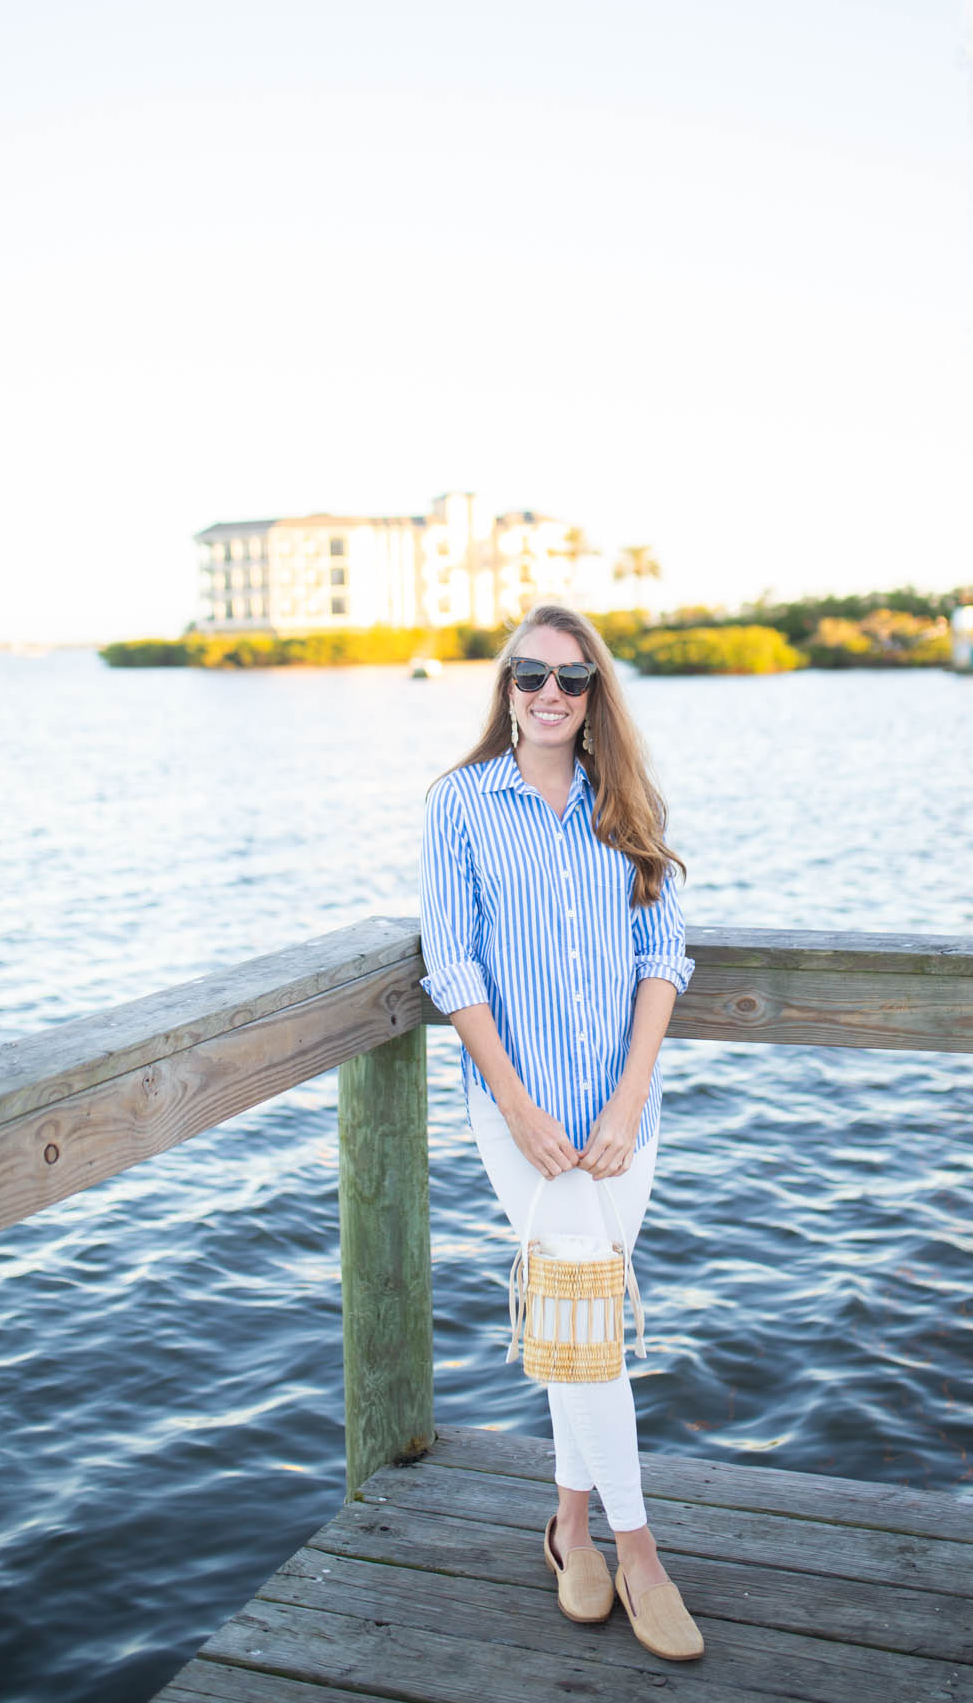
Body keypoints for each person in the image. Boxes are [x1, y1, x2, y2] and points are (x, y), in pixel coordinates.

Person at [419, 603, 704, 1662]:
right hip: (519, 1113)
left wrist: (627, 1099)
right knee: (584, 1307)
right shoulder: (459, 804)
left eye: (571, 678)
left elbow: (662, 955)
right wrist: (521, 1106)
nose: (548, 691)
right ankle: (641, 1551)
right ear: (503, 685)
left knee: (573, 1319)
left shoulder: (621, 800)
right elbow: (452, 967)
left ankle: (567, 1527)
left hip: (624, 1112)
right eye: (529, 673)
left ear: (594, 698)